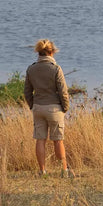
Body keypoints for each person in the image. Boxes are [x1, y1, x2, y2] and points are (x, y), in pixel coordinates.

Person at [24, 39, 73, 177]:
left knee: (40, 139)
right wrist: (65, 107)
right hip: (54, 108)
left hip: (38, 107)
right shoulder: (56, 69)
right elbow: (63, 91)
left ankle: (42, 170)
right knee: (58, 140)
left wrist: (32, 105)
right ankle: (64, 170)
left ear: (39, 53)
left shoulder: (31, 69)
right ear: (51, 52)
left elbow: (27, 91)